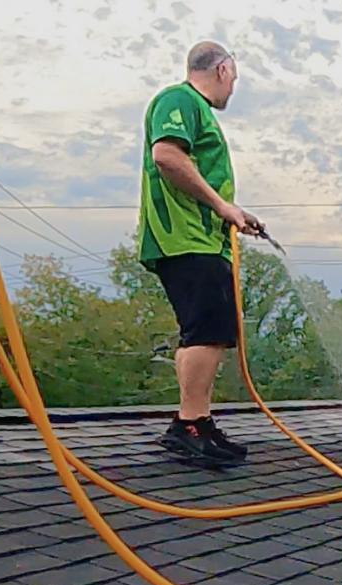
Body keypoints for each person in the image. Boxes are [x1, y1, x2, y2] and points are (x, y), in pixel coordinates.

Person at [138, 41, 264, 467]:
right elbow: (167, 156)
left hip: (203, 238)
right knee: (204, 328)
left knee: (215, 328)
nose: (233, 90)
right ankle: (188, 426)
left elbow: (192, 171)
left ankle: (200, 422)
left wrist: (234, 213)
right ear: (224, 69)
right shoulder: (180, 99)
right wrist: (221, 206)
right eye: (235, 80)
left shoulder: (198, 110)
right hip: (183, 237)